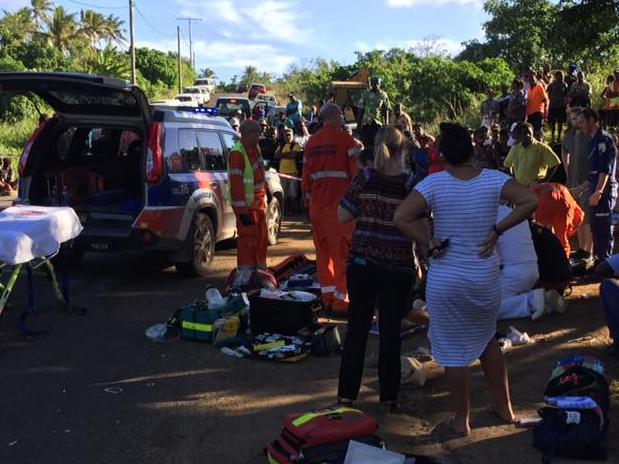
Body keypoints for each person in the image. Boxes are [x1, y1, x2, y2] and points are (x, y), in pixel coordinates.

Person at [394, 122, 538, 436]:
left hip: (446, 280)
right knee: (487, 342)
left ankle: (462, 421)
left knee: (451, 350)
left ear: (443, 154)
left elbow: (401, 217)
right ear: (472, 150)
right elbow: (530, 200)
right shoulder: (494, 180)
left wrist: (427, 241)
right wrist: (498, 229)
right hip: (483, 278)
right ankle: (505, 408)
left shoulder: (433, 184)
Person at [337, 127, 415, 411]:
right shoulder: (410, 184)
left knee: (356, 330)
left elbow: (343, 214)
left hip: (363, 264)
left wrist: (368, 211)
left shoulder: (365, 178)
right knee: (391, 334)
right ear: (402, 152)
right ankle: (388, 399)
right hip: (397, 267)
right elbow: (420, 225)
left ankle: (346, 397)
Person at [302, 104, 359, 313]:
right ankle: (341, 301)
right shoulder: (346, 140)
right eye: (342, 115)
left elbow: (305, 180)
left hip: (317, 209)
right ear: (337, 116)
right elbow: (355, 177)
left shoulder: (311, 143)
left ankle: (327, 296)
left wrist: (309, 205)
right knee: (342, 255)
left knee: (323, 254)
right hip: (340, 210)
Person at [227, 120, 268, 287]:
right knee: (247, 242)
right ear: (246, 134)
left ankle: (260, 274)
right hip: (247, 208)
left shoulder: (255, 150)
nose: (258, 136)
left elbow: (260, 176)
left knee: (260, 240)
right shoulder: (237, 154)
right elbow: (236, 185)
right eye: (255, 133)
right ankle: (244, 279)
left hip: (258, 206)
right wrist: (242, 212)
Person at [577, 108, 618, 262]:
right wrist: (581, 188)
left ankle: (605, 262)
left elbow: (604, 170)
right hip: (595, 190)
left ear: (592, 120)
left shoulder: (603, 140)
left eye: (582, 122)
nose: (579, 125)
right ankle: (599, 261)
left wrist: (599, 191)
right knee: (595, 227)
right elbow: (594, 174)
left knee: (603, 229)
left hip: (604, 192)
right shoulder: (592, 142)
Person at [496, 204, 545, 321]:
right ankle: (545, 302)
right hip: (533, 271)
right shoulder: (517, 213)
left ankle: (530, 301)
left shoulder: (488, 215)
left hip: (512, 273)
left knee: (483, 309)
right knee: (509, 298)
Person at [562, 107, 593, 260]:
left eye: (578, 119)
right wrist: (566, 169)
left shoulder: (589, 136)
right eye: (573, 119)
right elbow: (564, 150)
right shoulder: (569, 136)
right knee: (578, 216)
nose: (576, 122)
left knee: (588, 218)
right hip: (573, 181)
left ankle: (589, 251)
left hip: (587, 182)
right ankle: (581, 249)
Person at [531, 183, 584, 258]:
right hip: (563, 200)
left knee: (540, 233)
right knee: (561, 236)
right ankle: (564, 260)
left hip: (547, 200)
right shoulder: (572, 204)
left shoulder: (533, 190)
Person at [275, 127, 303, 214]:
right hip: (282, 173)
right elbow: (276, 155)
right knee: (285, 194)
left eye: (289, 135)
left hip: (293, 173)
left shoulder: (296, 145)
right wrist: (288, 154)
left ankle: (293, 210)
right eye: (286, 135)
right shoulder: (281, 145)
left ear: (292, 135)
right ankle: (286, 210)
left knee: (293, 195)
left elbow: (293, 155)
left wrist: (282, 155)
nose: (288, 137)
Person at [357, 77, 390, 148]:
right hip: (366, 123)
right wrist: (358, 124)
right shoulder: (365, 93)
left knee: (377, 143)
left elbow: (386, 109)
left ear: (380, 84)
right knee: (365, 144)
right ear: (371, 84)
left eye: (377, 83)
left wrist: (386, 124)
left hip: (377, 123)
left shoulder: (383, 95)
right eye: (373, 83)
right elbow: (361, 109)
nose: (375, 85)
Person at [546, 71, 569, 143]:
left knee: (560, 122)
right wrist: (553, 100)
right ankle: (552, 138)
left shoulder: (565, 85)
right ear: (556, 77)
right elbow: (548, 94)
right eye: (560, 76)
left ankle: (559, 138)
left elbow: (566, 95)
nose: (561, 77)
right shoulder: (552, 85)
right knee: (552, 123)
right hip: (553, 106)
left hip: (561, 106)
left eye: (562, 76)